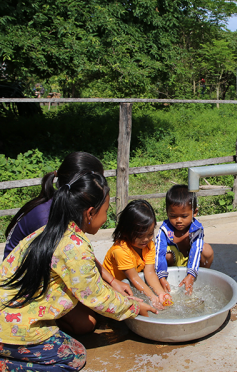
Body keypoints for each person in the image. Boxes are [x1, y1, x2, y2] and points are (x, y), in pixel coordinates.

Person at [0, 171, 156, 371]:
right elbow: (95, 296)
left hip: (8, 313)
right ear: (90, 213)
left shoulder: (52, 231)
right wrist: (133, 308)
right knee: (74, 357)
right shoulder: (75, 246)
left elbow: (91, 281)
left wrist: (119, 293)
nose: (106, 217)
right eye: (106, 211)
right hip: (14, 330)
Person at [3, 152, 134, 334]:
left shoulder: (64, 213)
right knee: (86, 323)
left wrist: (111, 281)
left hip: (46, 271)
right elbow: (82, 275)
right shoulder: (51, 222)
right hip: (26, 283)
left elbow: (78, 261)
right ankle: (42, 327)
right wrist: (132, 307)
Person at [103, 200, 172, 310]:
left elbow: (149, 272)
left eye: (149, 234)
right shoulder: (120, 250)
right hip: (111, 287)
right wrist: (152, 297)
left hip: (129, 283)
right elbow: (134, 277)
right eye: (140, 236)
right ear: (126, 231)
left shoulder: (149, 245)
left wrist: (161, 293)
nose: (145, 239)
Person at [155, 184, 214, 295]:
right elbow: (159, 253)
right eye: (173, 216)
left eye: (184, 216)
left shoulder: (196, 229)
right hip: (173, 261)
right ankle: (170, 282)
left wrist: (191, 274)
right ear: (167, 212)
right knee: (166, 254)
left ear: (194, 212)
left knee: (207, 250)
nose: (178, 220)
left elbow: (196, 250)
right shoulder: (165, 230)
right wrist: (161, 276)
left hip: (192, 260)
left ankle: (199, 278)